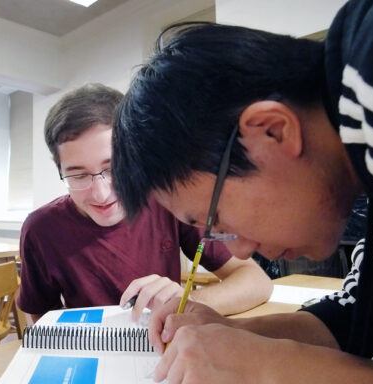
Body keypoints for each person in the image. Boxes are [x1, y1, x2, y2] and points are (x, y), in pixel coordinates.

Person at [111, 1, 373, 383]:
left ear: (272, 130)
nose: (238, 250)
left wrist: (274, 366)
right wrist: (232, 340)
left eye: (215, 219)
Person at [16, 83, 272, 324]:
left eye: (115, 168)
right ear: (59, 168)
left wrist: (183, 302)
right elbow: (40, 315)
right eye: (79, 175)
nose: (102, 194)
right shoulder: (41, 229)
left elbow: (255, 281)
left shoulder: (167, 200)